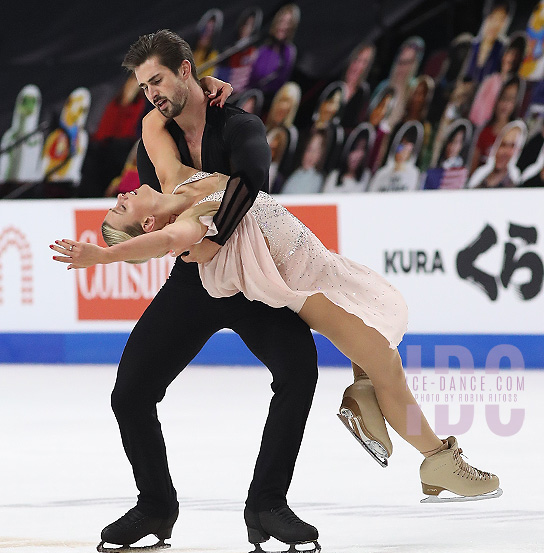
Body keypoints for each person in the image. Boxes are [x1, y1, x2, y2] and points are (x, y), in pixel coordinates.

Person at [50, 131, 503, 509]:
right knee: (390, 370)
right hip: (316, 293)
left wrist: (201, 81)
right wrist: (105, 256)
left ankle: (366, 401)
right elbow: (165, 241)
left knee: (384, 331)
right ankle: (437, 460)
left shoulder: (180, 180)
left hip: (326, 266)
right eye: (122, 208)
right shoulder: (188, 226)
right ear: (146, 225)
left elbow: (153, 126)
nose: (122, 194)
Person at [62, 29, 325, 553]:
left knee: (299, 373)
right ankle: (155, 505)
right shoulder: (153, 140)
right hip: (195, 277)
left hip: (248, 273)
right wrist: (184, 249)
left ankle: (266, 505)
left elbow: (250, 182)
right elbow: (161, 212)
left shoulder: (241, 123)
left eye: (157, 79)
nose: (151, 93)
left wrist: (214, 240)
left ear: (185, 70)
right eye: (143, 87)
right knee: (131, 392)